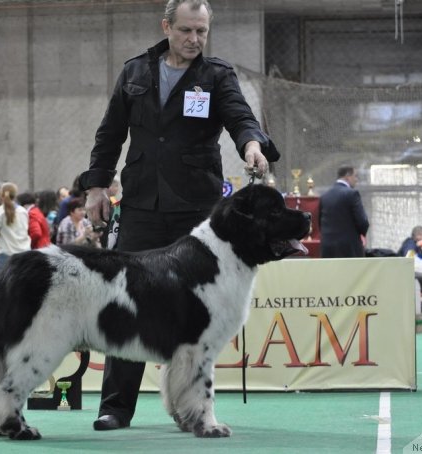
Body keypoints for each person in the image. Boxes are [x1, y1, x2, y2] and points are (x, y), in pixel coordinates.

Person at [79, 0, 278, 431]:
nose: (194, 40)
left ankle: (192, 409)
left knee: (196, 315)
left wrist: (252, 146)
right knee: (126, 301)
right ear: (166, 26)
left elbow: (241, 118)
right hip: (141, 206)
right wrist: (96, 185)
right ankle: (115, 407)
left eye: (201, 32)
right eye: (186, 30)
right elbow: (110, 132)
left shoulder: (217, 76)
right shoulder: (134, 72)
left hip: (196, 212)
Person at [318, 166, 369, 258]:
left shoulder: (324, 196)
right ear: (347, 176)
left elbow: (320, 222)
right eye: (355, 176)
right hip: (348, 249)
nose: (356, 180)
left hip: (327, 248)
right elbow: (362, 221)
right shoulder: (352, 194)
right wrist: (362, 234)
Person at [0, 182, 30, 272]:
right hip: (25, 253)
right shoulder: (23, 211)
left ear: (1, 195)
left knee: (6, 284)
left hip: (7, 254)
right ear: (15, 195)